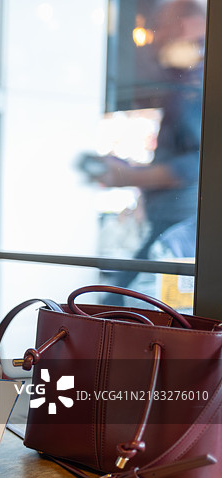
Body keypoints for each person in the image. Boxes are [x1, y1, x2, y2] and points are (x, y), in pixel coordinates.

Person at [90, 0, 204, 300]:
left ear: (182, 26)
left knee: (116, 308)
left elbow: (197, 163)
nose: (154, 38)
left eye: (160, 27)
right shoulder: (187, 81)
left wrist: (128, 176)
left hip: (177, 224)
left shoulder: (195, 81)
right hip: (175, 221)